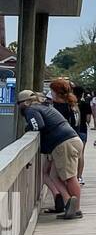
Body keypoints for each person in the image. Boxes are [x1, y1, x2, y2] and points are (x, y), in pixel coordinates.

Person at [18, 90, 83, 219]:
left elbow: (38, 125)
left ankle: (76, 209)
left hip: (64, 143)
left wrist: (27, 128)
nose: (18, 107)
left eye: (18, 103)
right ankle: (67, 201)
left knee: (70, 177)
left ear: (25, 102)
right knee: (53, 175)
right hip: (70, 140)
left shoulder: (30, 110)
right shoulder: (44, 106)